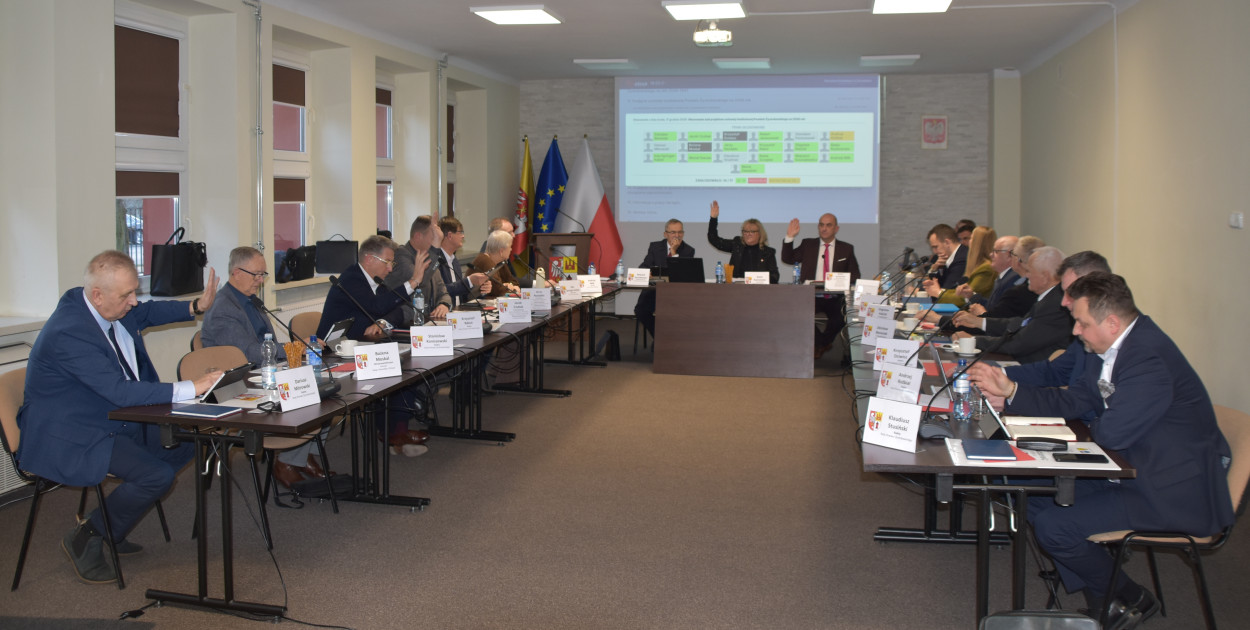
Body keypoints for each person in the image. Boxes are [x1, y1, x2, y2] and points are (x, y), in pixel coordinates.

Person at [969, 273, 1233, 627]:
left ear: (1111, 323)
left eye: (1081, 323)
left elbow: (1111, 432)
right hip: (1133, 465)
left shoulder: (1148, 359)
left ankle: (1128, 596)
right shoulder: (1112, 347)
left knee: (1054, 526)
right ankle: (1106, 597)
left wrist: (1091, 419)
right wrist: (1012, 391)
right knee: (1027, 490)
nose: (1075, 331)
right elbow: (1079, 400)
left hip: (1167, 488)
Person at [18, 251, 222, 584]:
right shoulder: (69, 331)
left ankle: (108, 522)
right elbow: (119, 392)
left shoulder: (104, 306)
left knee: (186, 444)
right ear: (98, 295)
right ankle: (89, 534)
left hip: (109, 415)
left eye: (134, 292)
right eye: (126, 295)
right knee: (156, 476)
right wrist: (191, 387)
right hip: (74, 430)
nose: (134, 302)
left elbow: (148, 311)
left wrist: (195, 306)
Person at [202, 246, 329, 488]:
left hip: (264, 372)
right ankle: (288, 462)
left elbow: (266, 346)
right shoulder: (223, 309)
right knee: (309, 398)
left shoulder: (251, 301)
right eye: (256, 275)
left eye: (263, 275)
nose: (261, 281)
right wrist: (295, 348)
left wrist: (293, 353)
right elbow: (249, 353)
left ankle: (304, 457)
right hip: (238, 384)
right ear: (236, 273)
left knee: (327, 394)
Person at [317, 235, 431, 456]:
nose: (390, 268)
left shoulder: (373, 280)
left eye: (392, 263)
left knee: (406, 368)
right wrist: (414, 281)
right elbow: (377, 306)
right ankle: (392, 433)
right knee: (393, 371)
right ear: (369, 258)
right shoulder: (352, 279)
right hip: (333, 354)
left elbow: (391, 308)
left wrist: (382, 322)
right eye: (387, 262)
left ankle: (396, 432)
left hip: (360, 346)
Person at [970, 250, 1112, 419]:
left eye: (1071, 293)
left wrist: (1012, 394)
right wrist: (996, 374)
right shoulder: (1087, 332)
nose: (1064, 302)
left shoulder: (1130, 347)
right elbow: (1055, 371)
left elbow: (1079, 402)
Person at [951, 246, 1072, 364]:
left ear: (1045, 276)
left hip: (1032, 368)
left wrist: (972, 340)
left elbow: (1020, 343)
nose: (1026, 276)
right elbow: (1020, 324)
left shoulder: (1055, 304)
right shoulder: (1050, 297)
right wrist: (979, 322)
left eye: (1029, 271)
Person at [780, 213, 861, 358]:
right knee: (799, 314)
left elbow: (855, 276)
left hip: (835, 297)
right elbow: (787, 258)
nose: (824, 228)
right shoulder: (808, 245)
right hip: (810, 296)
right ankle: (822, 344)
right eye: (821, 225)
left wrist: (839, 280)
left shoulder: (846, 249)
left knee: (840, 317)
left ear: (836, 228)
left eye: (828, 225)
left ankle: (821, 344)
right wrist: (789, 237)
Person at [385, 215, 453, 323]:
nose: (438, 242)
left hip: (430, 322)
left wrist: (444, 305)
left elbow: (443, 292)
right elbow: (420, 280)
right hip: (406, 323)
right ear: (418, 236)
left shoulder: (430, 257)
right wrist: (435, 251)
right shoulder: (400, 255)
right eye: (434, 238)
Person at [634, 219, 696, 337]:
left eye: (680, 232)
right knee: (640, 311)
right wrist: (646, 272)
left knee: (676, 315)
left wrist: (673, 252)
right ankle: (660, 337)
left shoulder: (688, 250)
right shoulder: (655, 247)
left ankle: (664, 340)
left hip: (676, 294)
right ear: (665, 234)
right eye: (673, 232)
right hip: (654, 291)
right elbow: (644, 265)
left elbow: (680, 274)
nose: (677, 235)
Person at [706, 200, 779, 284]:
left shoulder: (768, 252)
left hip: (759, 289)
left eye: (752, 231)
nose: (748, 234)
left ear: (759, 233)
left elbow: (775, 276)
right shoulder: (737, 245)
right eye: (745, 231)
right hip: (736, 288)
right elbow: (715, 240)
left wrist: (760, 279)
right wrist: (713, 219)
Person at [435, 216, 491, 307]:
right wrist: (469, 281)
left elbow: (462, 295)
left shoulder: (454, 261)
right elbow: (441, 291)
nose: (463, 236)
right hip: (443, 312)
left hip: (459, 312)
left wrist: (481, 289)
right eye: (460, 232)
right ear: (450, 235)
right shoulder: (436, 260)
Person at [473, 230, 524, 298]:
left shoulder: (500, 261)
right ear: (501, 251)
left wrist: (509, 285)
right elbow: (498, 290)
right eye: (510, 247)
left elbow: (514, 281)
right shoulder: (485, 260)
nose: (511, 249)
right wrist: (511, 288)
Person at [922, 223, 965, 294]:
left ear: (947, 242)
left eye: (936, 247)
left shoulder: (962, 259)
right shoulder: (947, 259)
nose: (934, 251)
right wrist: (934, 269)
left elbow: (947, 291)